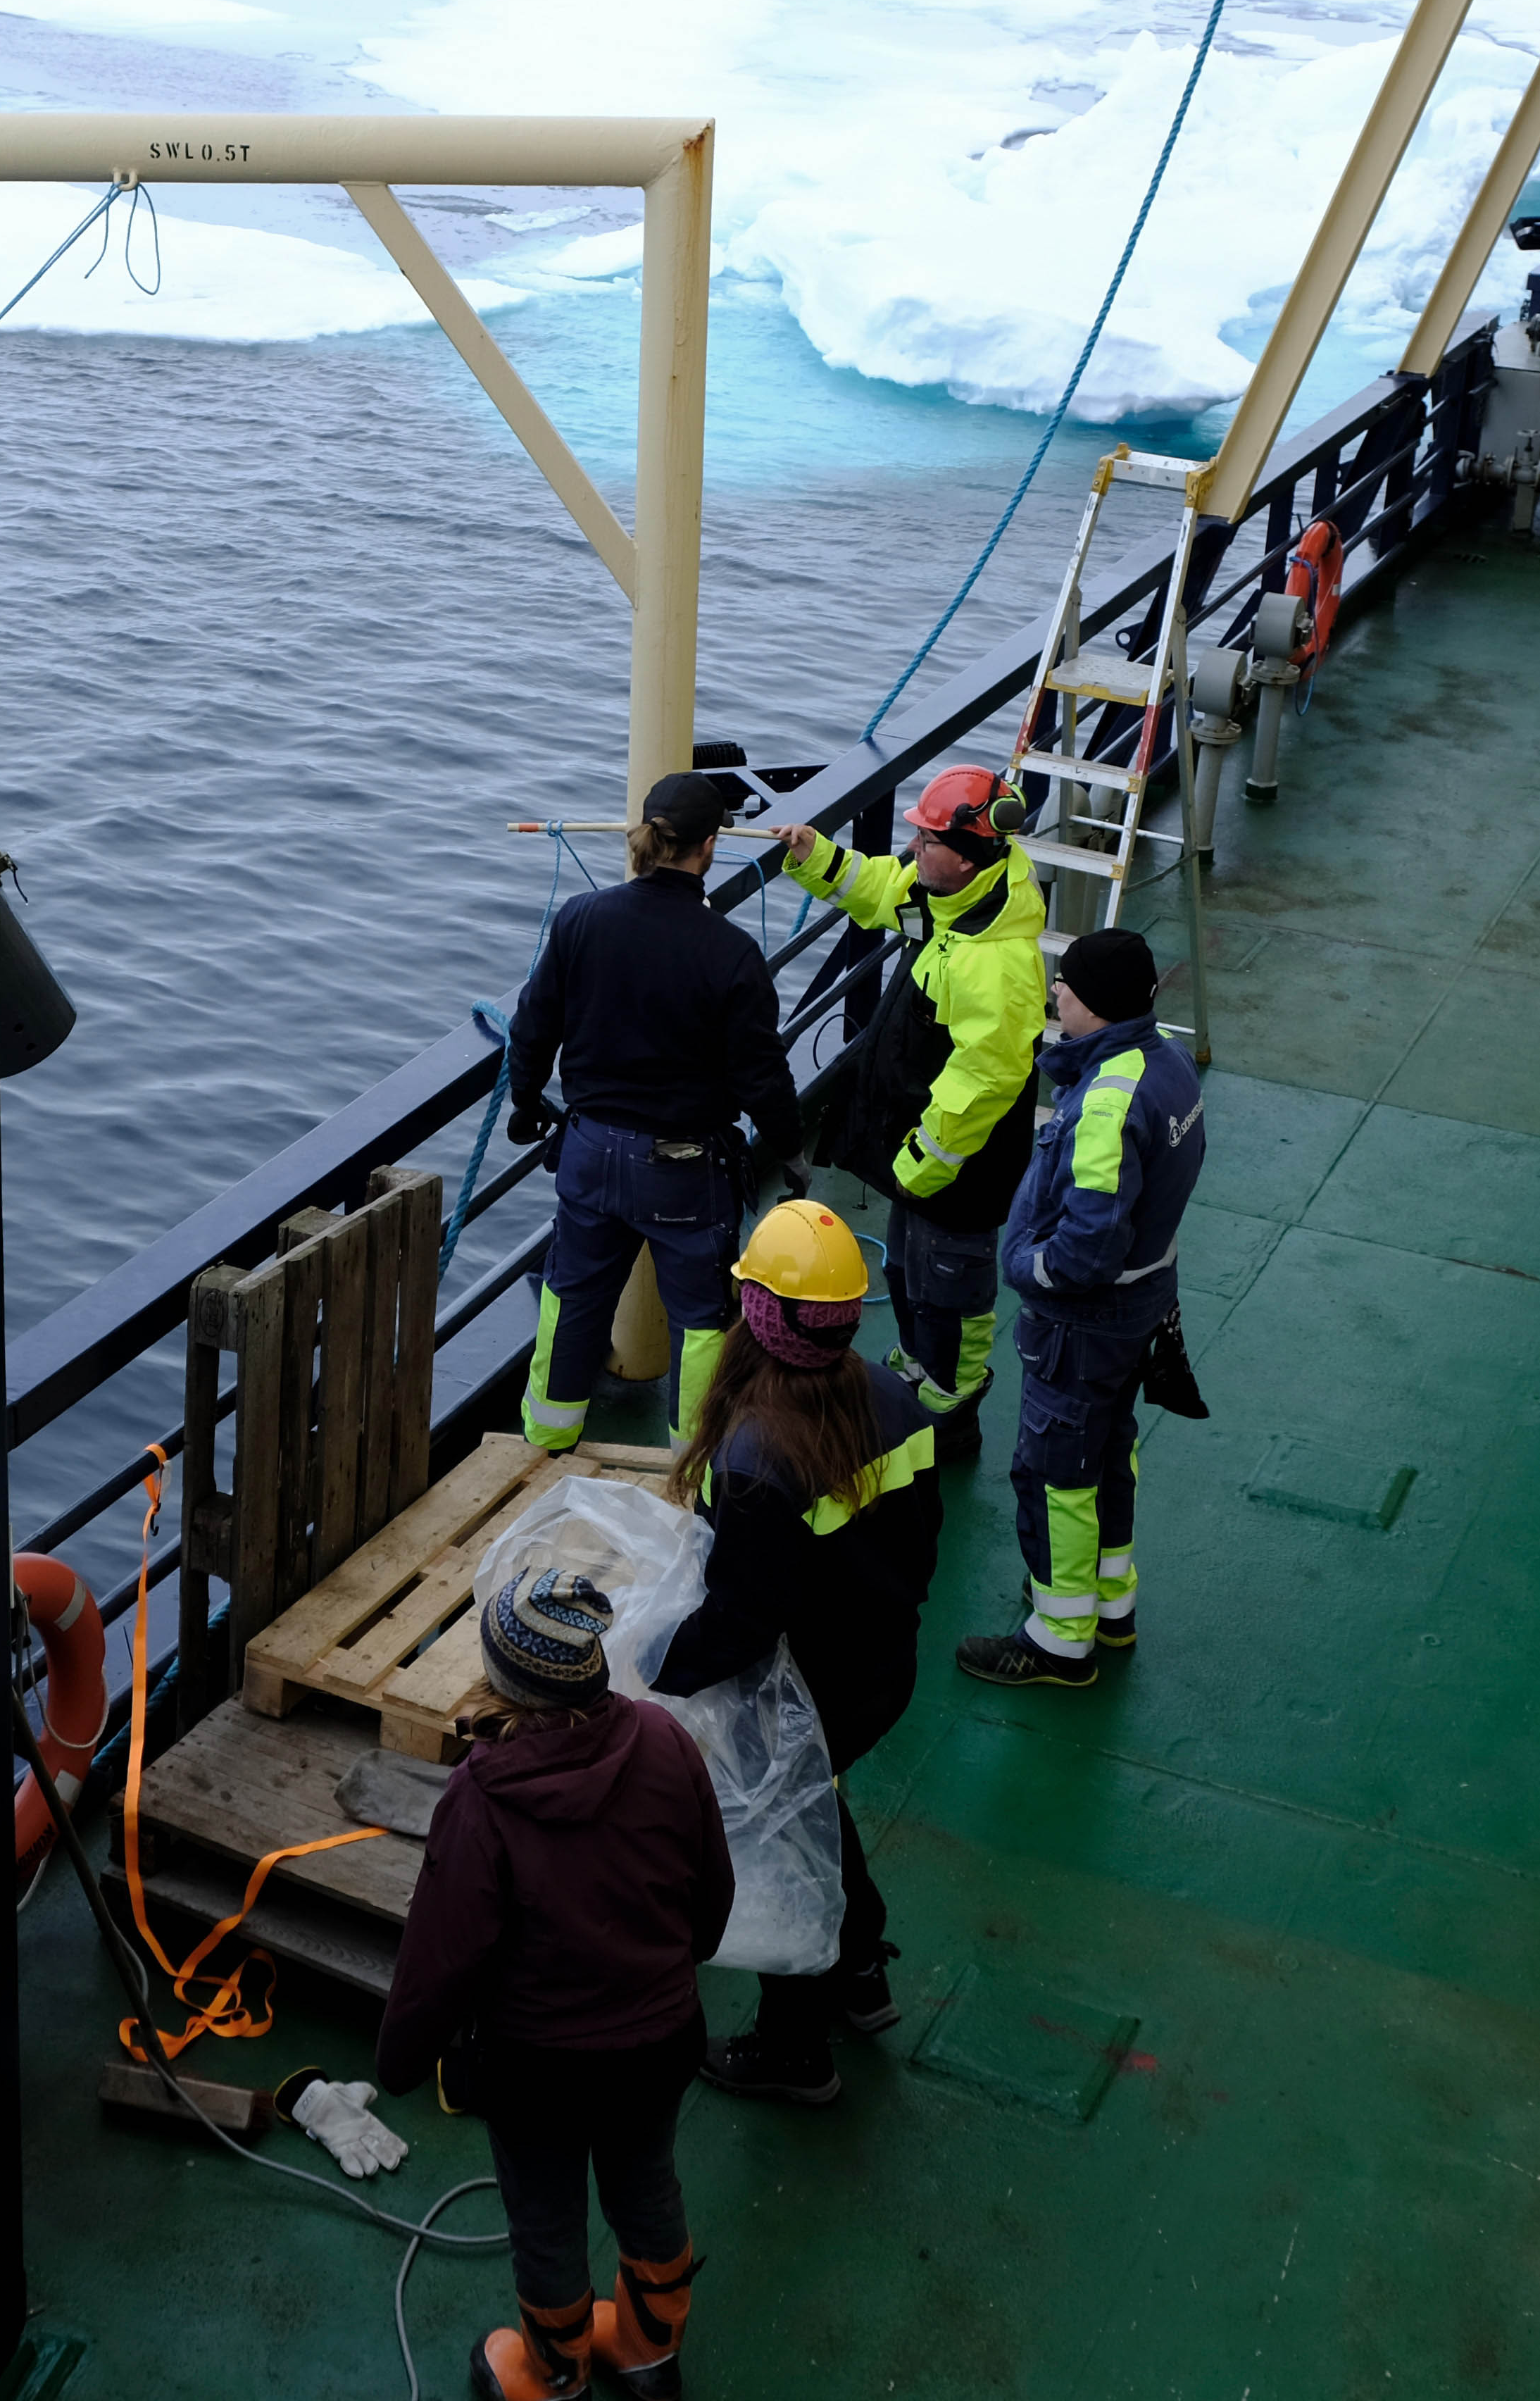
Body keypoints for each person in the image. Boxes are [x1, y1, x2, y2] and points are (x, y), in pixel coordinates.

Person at [377, 1568, 732, 2401]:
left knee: (546, 2218)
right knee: (647, 2182)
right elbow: (710, 1898)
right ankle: (649, 2350)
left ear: (505, 1679)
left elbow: (441, 1957)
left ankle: (554, 2371)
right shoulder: (664, 1740)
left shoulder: (481, 1798)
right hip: (658, 2043)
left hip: (539, 2074)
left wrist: (400, 2060)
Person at [649, 1197, 944, 2104]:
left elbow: (745, 1618)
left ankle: (795, 2048)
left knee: (785, 1844)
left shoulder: (755, 1457)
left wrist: (659, 1668)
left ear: (758, 1314)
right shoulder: (896, 1396)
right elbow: (922, 1543)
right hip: (882, 1666)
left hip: (807, 1693)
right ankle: (860, 1974)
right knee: (822, 1805)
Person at [505, 771, 804, 1453]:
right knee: (700, 1319)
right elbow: (761, 1074)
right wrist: (790, 1149)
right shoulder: (730, 953)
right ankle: (690, 1463)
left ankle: (548, 1438)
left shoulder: (581, 918)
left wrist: (527, 1102)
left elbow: (533, 1027)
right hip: (683, 1168)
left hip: (587, 1151)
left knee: (572, 1294)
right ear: (709, 847)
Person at [765, 765, 1047, 1473]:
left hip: (957, 1164)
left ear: (971, 850)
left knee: (953, 1283)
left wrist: (927, 1158)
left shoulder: (998, 963)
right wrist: (816, 856)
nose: (913, 847)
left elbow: (986, 1078)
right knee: (913, 1272)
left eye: (926, 838)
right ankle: (916, 1370)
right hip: (922, 1156)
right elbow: (884, 890)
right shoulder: (949, 894)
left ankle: (948, 1412)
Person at [960, 927, 1206, 1692]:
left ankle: (1060, 1638)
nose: (1053, 995)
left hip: (1085, 1320)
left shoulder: (1106, 1099)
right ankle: (1111, 1605)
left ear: (1092, 1005)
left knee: (1056, 1468)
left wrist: (1026, 1267)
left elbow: (1088, 1249)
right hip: (1142, 1307)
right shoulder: (1167, 1069)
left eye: (1063, 986)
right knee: (1110, 1451)